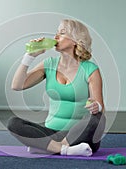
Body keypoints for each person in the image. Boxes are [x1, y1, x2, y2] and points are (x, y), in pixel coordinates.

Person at [7, 19, 106, 157]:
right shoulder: (49, 64)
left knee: (98, 118)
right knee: (14, 123)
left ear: (75, 40)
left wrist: (97, 106)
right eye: (56, 32)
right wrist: (29, 56)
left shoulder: (90, 69)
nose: (56, 37)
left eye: (62, 33)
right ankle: (64, 149)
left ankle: (47, 147)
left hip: (80, 135)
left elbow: (100, 106)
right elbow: (17, 85)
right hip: (51, 133)